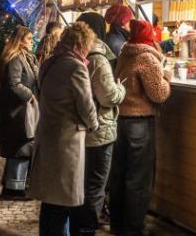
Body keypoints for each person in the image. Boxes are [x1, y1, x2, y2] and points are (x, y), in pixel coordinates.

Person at [29, 22, 99, 236]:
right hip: (66, 142)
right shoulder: (76, 67)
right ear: (80, 44)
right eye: (87, 46)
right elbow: (86, 106)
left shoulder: (50, 62)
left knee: (50, 202)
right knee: (62, 202)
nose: (88, 50)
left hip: (47, 135)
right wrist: (94, 125)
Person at [110, 19, 171, 236]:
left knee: (119, 175)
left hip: (120, 121)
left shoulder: (125, 54)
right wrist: (167, 77)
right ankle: (133, 228)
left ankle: (117, 223)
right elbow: (159, 93)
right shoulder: (146, 58)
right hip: (140, 124)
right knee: (138, 178)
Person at [75, 13, 126, 236]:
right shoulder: (98, 57)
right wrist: (120, 87)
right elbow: (108, 96)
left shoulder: (75, 53)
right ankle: (87, 228)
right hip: (99, 130)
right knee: (95, 184)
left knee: (83, 182)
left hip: (79, 129)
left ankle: (79, 225)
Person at [0, 25, 39, 199]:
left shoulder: (27, 57)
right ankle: (14, 189)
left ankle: (15, 186)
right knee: (20, 149)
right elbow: (13, 84)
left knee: (22, 148)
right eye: (29, 39)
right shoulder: (16, 58)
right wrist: (30, 95)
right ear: (20, 40)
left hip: (23, 110)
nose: (32, 42)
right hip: (17, 112)